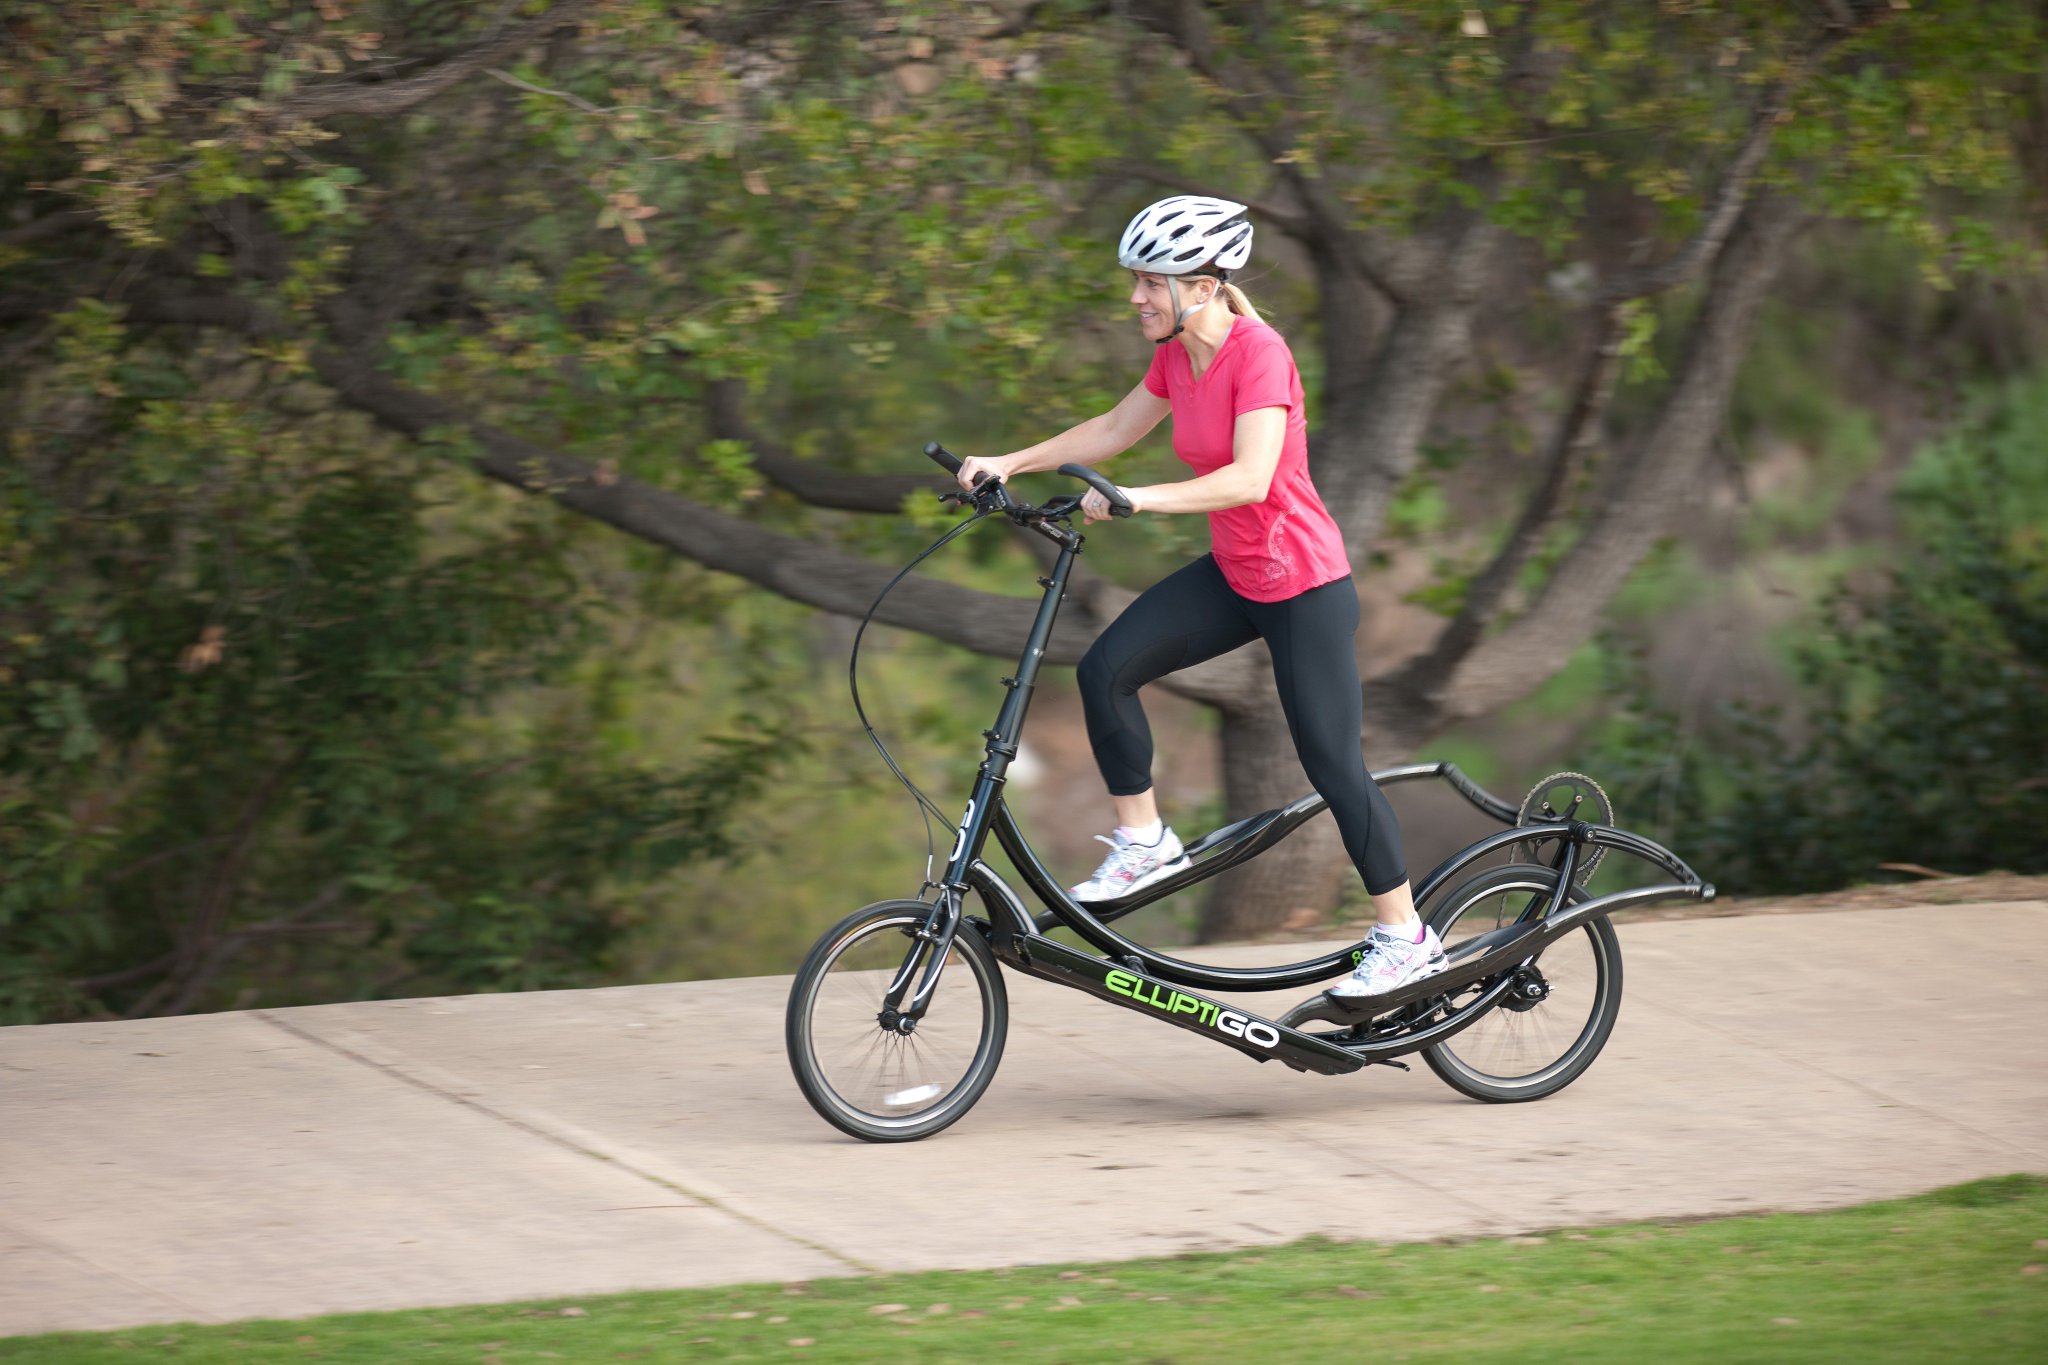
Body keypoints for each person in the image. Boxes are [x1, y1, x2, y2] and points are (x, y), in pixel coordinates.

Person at [954, 195, 1443, 999]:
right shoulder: (1178, 354)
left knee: (1330, 761)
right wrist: (1012, 459)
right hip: (1238, 574)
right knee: (1106, 667)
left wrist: (1138, 500)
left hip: (1303, 585)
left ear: (1205, 285)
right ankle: (1145, 841)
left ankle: (1405, 934)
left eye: (1150, 282)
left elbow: (1252, 477)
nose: (1136, 298)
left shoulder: (1261, 354)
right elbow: (1115, 429)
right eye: (1136, 282)